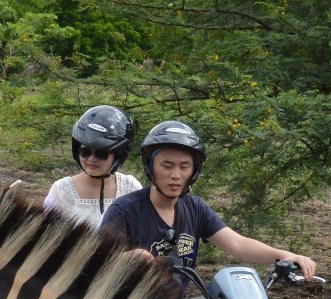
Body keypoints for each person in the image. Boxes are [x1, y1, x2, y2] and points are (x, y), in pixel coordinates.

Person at [101, 119, 318, 285]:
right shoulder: (124, 210)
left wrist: (285, 255)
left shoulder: (195, 209)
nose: (176, 175)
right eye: (167, 166)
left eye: (184, 166)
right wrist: (130, 259)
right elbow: (98, 265)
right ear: (150, 166)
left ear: (194, 171)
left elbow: (238, 244)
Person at [43, 106, 141, 229]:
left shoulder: (131, 188)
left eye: (101, 154)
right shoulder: (61, 191)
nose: (91, 159)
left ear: (118, 156)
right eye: (85, 152)